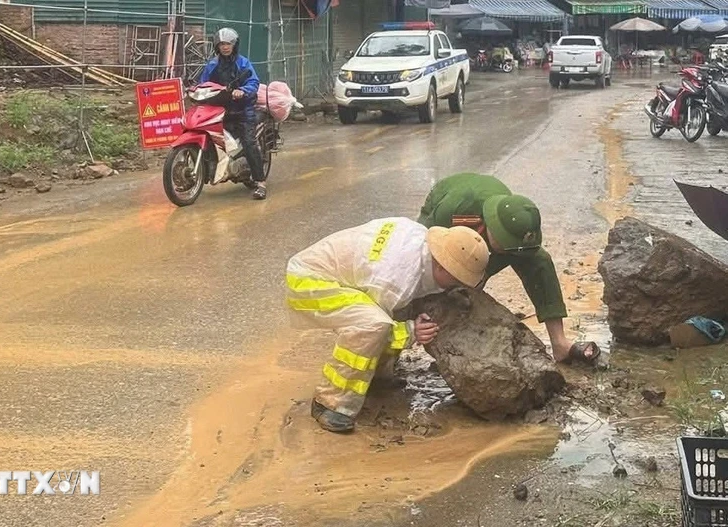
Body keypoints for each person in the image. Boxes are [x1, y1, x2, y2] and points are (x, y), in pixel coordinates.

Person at [286, 217, 490, 433]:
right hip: (309, 281)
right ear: (442, 266)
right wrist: (412, 332)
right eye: (456, 279)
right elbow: (378, 328)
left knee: (391, 313)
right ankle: (330, 403)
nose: (457, 285)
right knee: (372, 326)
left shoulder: (420, 240)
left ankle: (377, 376)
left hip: (347, 274)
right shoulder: (395, 281)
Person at [418, 173, 601, 365]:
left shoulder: (513, 219)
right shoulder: (456, 210)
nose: (513, 254)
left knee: (538, 260)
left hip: (491, 227)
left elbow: (532, 260)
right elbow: (423, 244)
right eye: (508, 246)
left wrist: (481, 276)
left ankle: (560, 343)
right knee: (439, 277)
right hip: (442, 205)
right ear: (491, 230)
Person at [199, 27, 267, 200]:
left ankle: (261, 183)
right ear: (217, 46)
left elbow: (253, 82)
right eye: (222, 44)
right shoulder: (212, 65)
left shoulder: (243, 63)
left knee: (249, 142)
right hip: (221, 110)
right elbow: (203, 84)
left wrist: (242, 90)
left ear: (234, 45)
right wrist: (195, 90)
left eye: (228, 43)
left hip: (243, 110)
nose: (225, 47)